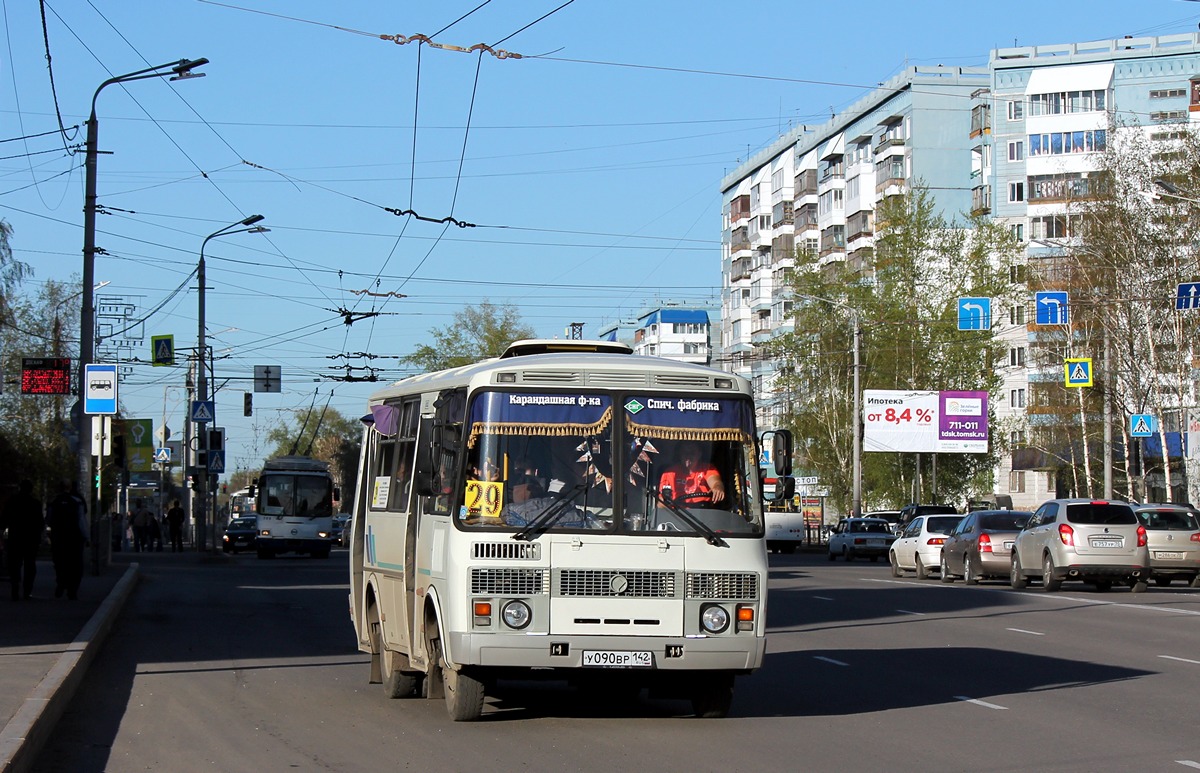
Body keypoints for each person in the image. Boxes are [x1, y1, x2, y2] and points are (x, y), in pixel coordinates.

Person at [47, 480, 88, 600]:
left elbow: (49, 520)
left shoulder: (54, 501)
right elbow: (81, 520)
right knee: (75, 564)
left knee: (60, 561)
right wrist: (86, 536)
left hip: (58, 537)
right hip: (74, 538)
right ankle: (72, 590)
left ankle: (61, 582)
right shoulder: (77, 501)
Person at [4, 479, 44, 601]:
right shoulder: (35, 503)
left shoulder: (13, 501)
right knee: (29, 564)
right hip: (30, 538)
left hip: (15, 537)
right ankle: (27, 590)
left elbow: (5, 518)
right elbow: (40, 522)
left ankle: (15, 586)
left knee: (15, 563)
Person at [658, 441, 726, 506]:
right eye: (685, 452)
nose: (688, 456)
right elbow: (661, 503)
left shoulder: (707, 468)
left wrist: (717, 488)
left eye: (692, 452)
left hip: (703, 514)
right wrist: (663, 502)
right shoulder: (670, 473)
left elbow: (716, 482)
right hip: (677, 514)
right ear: (680, 454)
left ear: (699, 454)